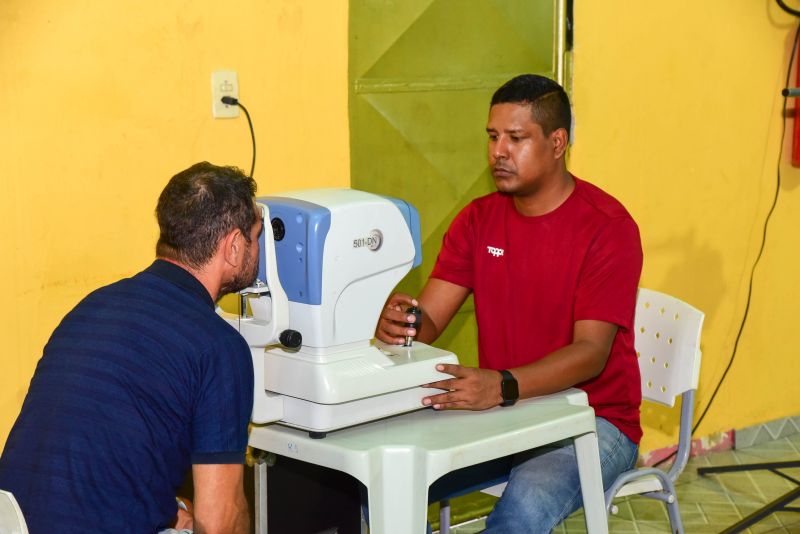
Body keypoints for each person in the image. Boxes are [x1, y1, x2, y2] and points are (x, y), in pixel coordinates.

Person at [376, 74, 643, 532]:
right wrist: (404, 323)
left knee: (521, 511)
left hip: (593, 419)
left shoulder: (607, 228)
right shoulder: (478, 220)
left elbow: (591, 353)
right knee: (379, 485)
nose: (498, 151)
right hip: (505, 410)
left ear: (557, 143)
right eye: (493, 136)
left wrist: (500, 386)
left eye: (516, 138)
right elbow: (432, 318)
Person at [0, 162, 260, 533]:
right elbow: (222, 523)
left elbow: (97, 452)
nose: (258, 250)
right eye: (256, 236)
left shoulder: (92, 307)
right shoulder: (218, 346)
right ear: (234, 246)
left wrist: (167, 510)